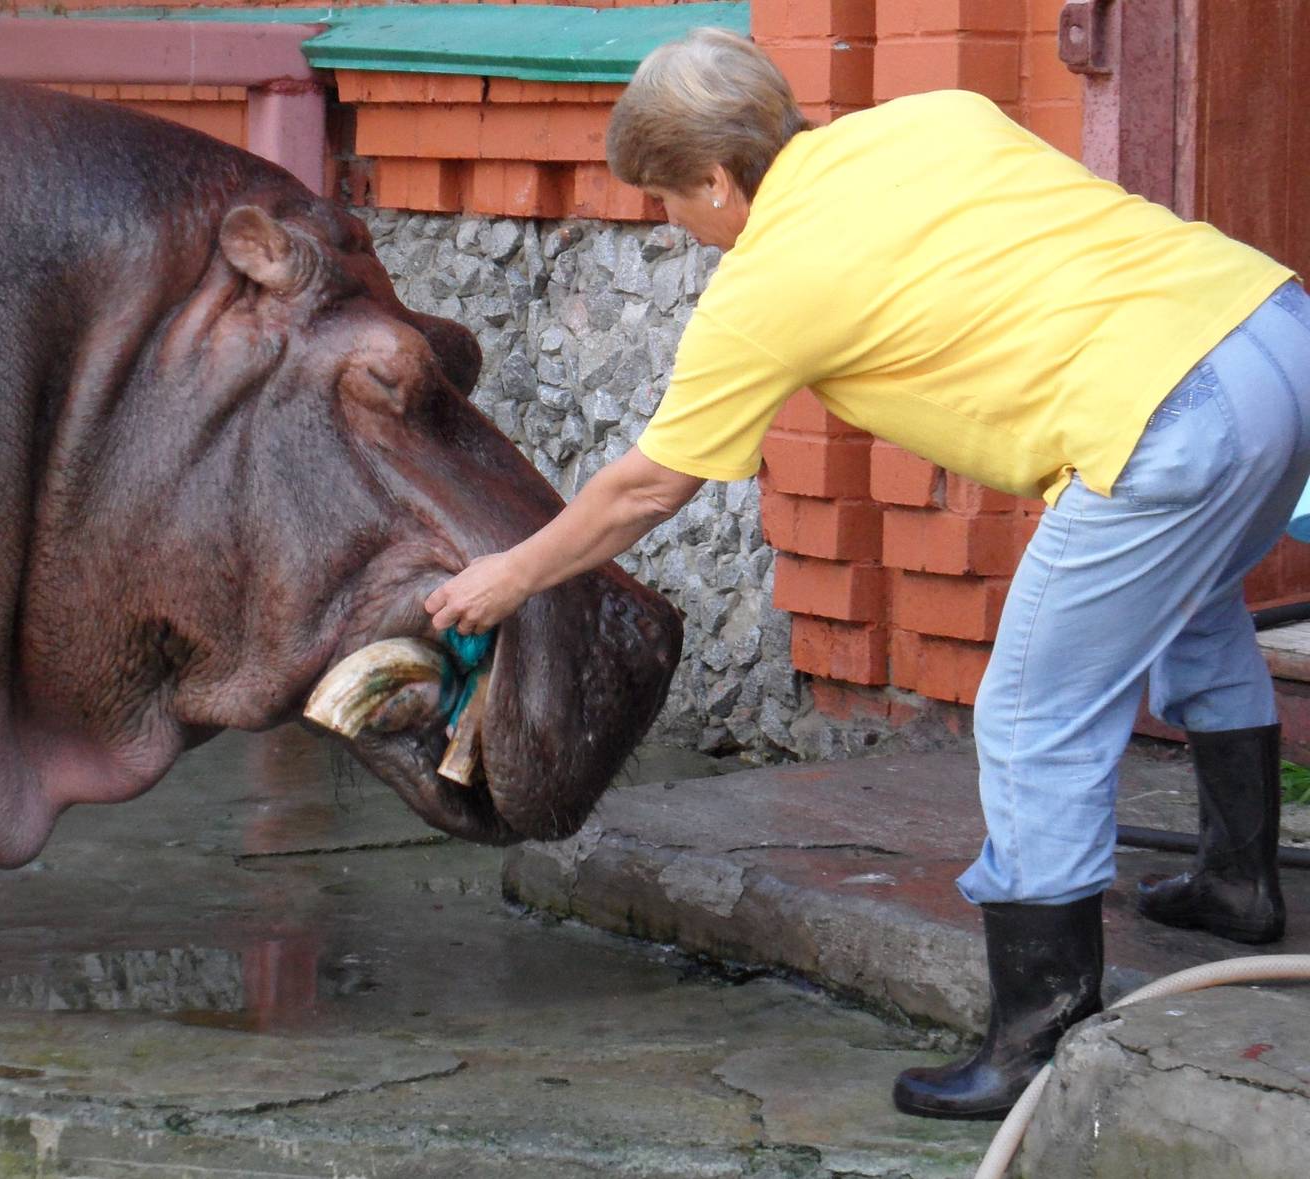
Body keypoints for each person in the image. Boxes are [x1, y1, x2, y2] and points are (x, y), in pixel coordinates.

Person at [424, 26, 1310, 1119]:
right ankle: (1235, 885)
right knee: (1194, 604)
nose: (672, 223)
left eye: (666, 198)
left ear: (715, 179)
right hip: (1272, 330)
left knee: (1031, 714)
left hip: (1170, 421)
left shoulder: (767, 284)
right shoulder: (929, 116)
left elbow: (646, 489)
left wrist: (508, 575)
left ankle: (1037, 1041)